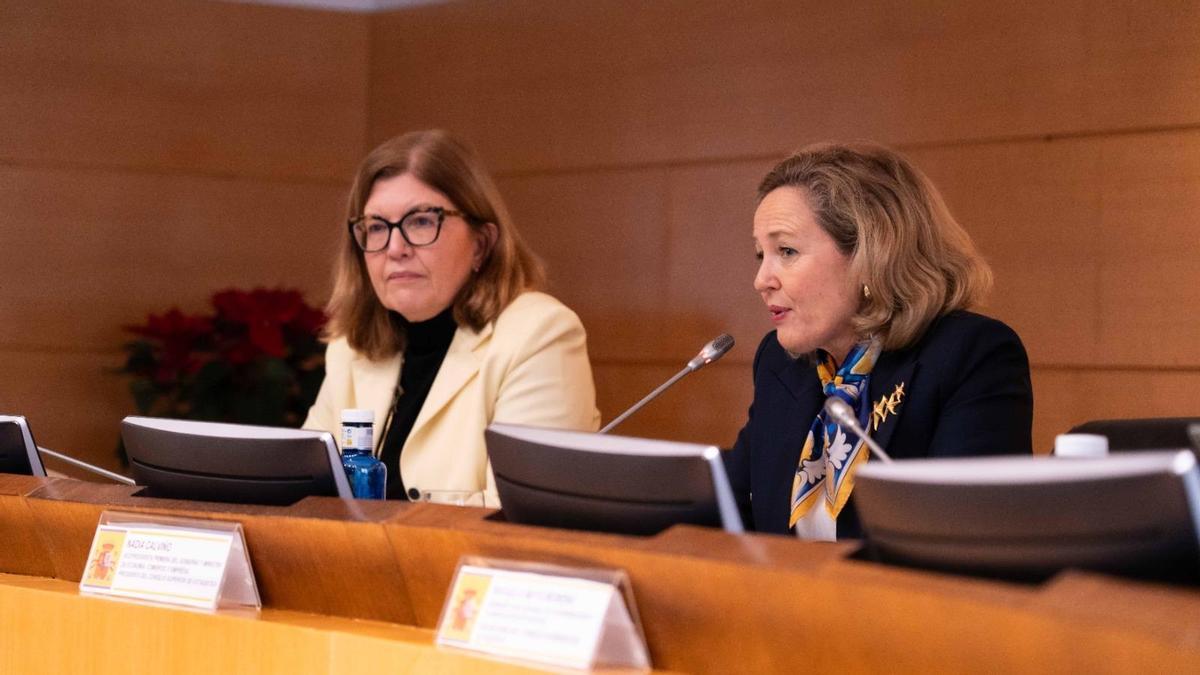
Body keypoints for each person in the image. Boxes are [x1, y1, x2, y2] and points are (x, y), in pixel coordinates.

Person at [724, 142, 1033, 540]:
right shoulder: (782, 364)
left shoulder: (969, 355)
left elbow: (971, 537)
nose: (762, 280)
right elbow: (729, 506)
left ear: (872, 254)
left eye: (786, 250)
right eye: (759, 255)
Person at [304, 130, 600, 505]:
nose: (395, 248)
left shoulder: (539, 335)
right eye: (377, 227)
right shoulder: (351, 348)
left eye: (422, 221)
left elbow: (522, 519)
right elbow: (303, 495)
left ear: (481, 244)